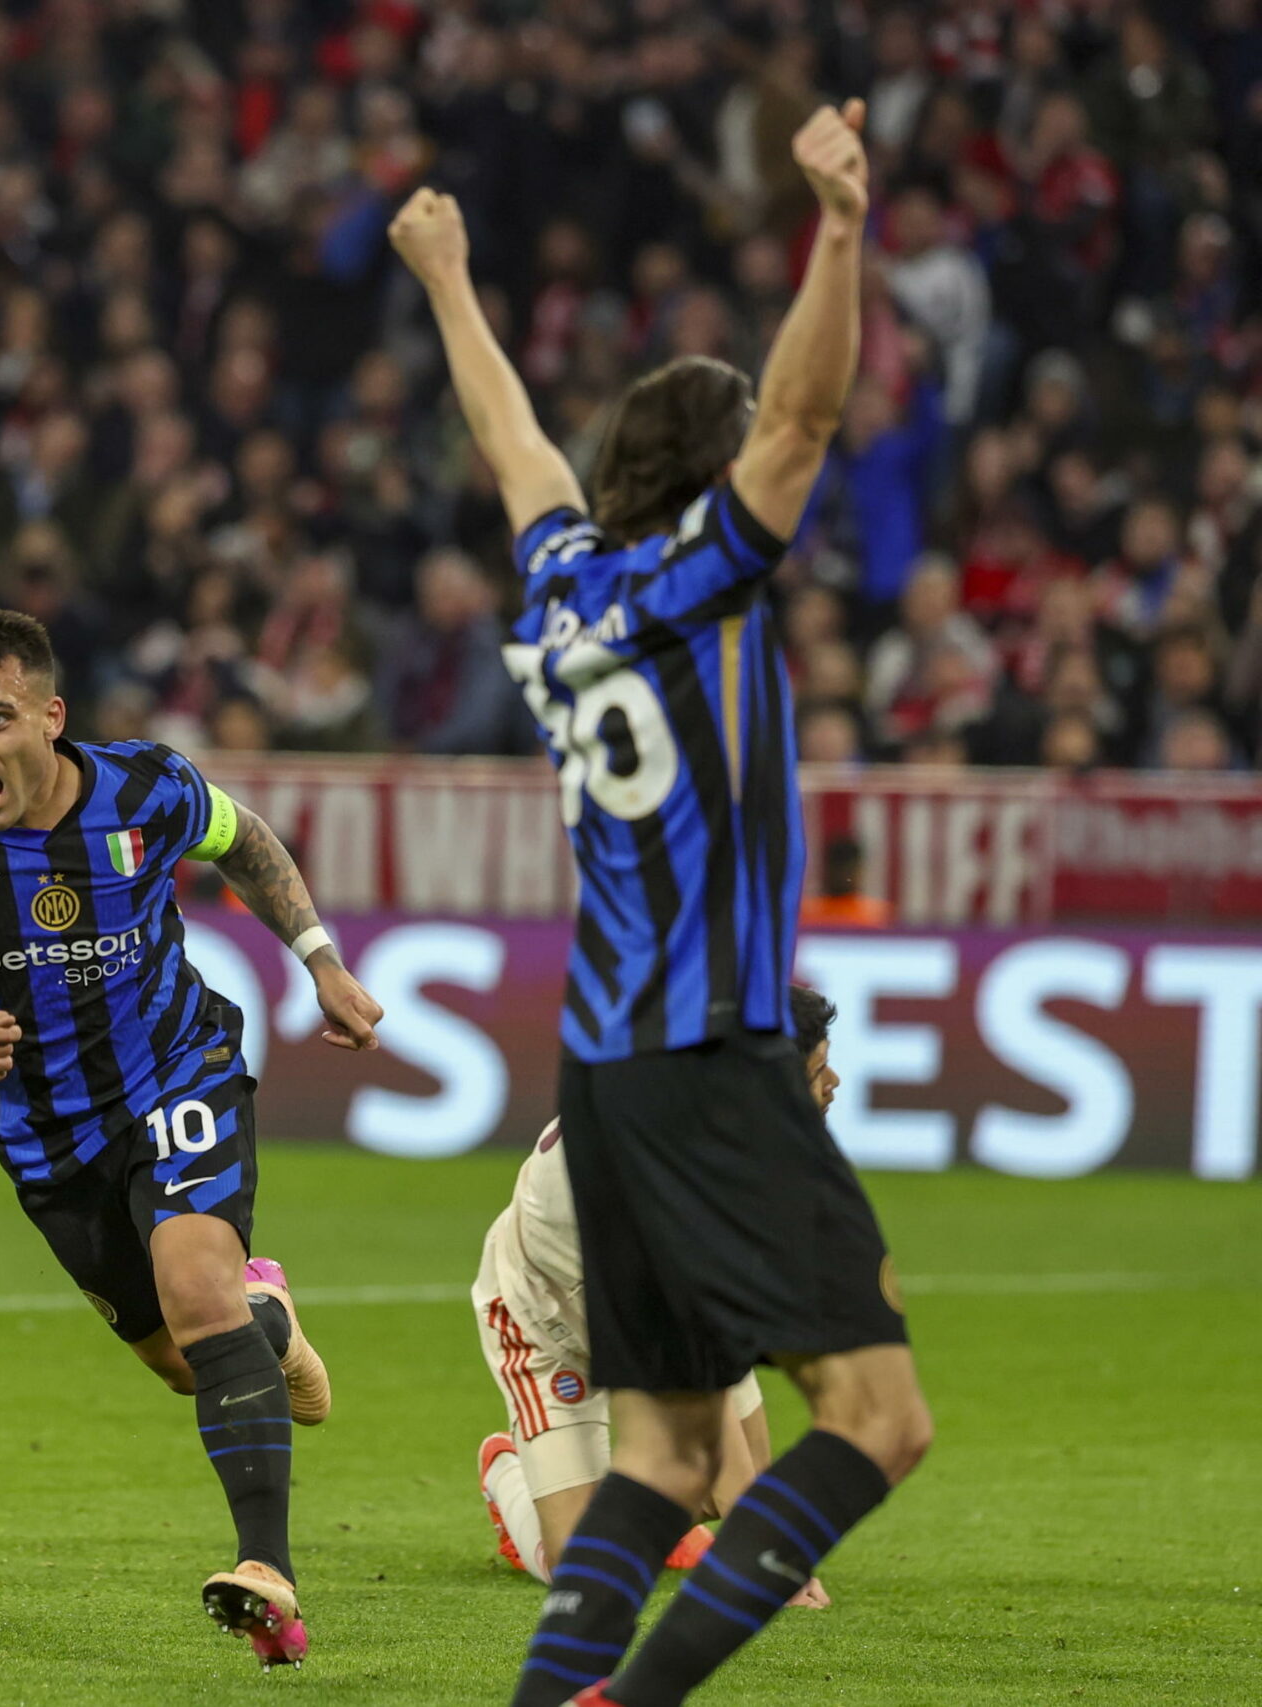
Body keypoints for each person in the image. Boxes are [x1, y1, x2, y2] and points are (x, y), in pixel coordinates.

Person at [391, 100, 933, 1707]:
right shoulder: (709, 586)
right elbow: (810, 411)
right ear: (716, 478)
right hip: (714, 1052)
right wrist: (841, 225)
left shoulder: (569, 588)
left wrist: (448, 283)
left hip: (605, 1077)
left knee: (669, 1455)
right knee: (880, 1418)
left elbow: (517, 449)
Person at [0, 609, 385, 1666]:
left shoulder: (145, 787)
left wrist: (320, 959)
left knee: (195, 1289)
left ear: (51, 716)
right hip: (45, 1135)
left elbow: (245, 841)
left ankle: (267, 1572)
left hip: (175, 1069)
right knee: (185, 1360)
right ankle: (266, 1321)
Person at [475, 984, 842, 1615]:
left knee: (724, 1485)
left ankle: (662, 1520)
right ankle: (508, 1474)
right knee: (583, 1571)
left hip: (655, 1312)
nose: (833, 1083)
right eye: (816, 1072)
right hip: (545, 1322)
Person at [796, 835, 894, 927]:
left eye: (850, 869)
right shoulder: (805, 912)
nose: (844, 875)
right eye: (839, 868)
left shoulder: (878, 915)